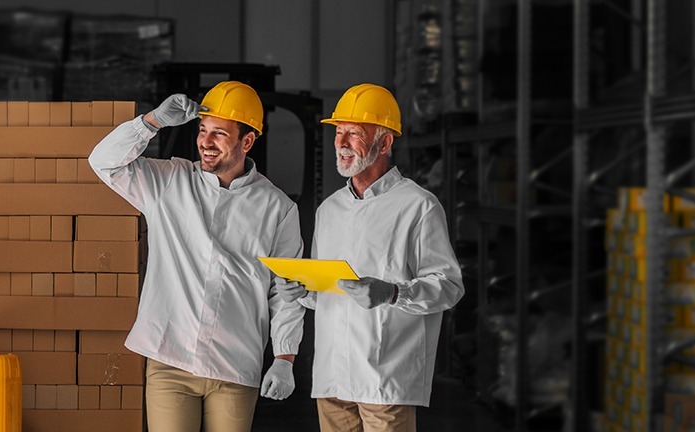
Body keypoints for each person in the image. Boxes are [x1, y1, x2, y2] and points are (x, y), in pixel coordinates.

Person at [89, 81, 305, 432]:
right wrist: (152, 122)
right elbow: (103, 162)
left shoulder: (277, 208)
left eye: (219, 134)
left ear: (246, 141)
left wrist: (284, 356)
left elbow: (286, 290)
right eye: (203, 130)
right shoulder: (168, 182)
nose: (205, 142)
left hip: (235, 365)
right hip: (170, 360)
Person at [275, 83, 465, 431]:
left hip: (385, 378)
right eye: (339, 132)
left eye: (354, 134)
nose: (342, 143)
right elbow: (328, 289)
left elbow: (449, 287)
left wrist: (392, 293)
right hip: (332, 377)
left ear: (385, 142)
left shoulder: (418, 206)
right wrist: (304, 292)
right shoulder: (329, 209)